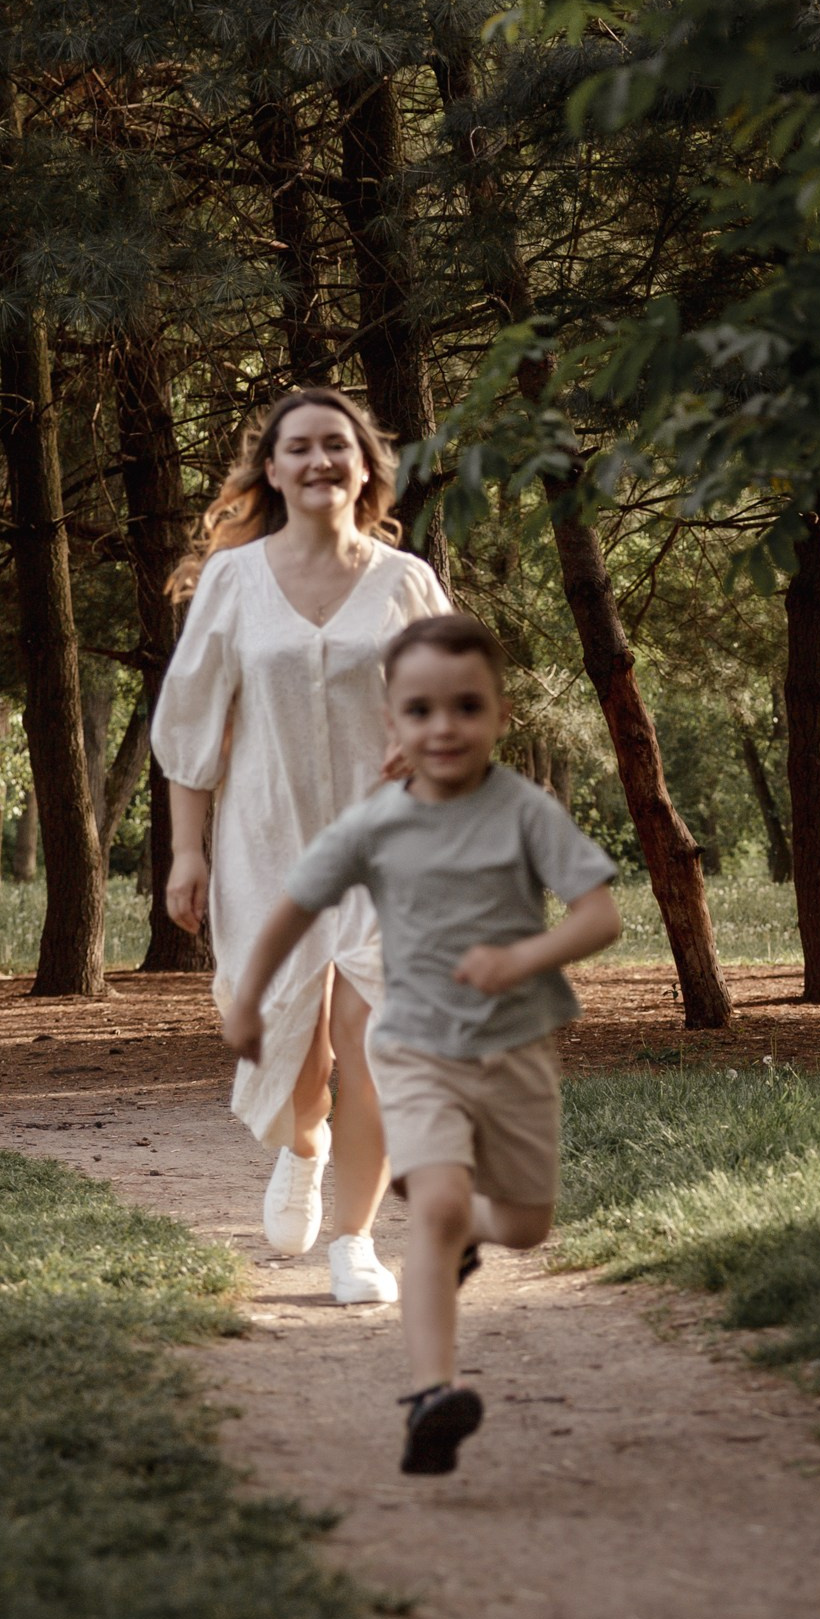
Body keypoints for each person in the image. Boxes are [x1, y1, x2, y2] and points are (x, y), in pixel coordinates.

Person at [223, 611, 620, 1475]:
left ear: (502, 715)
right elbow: (293, 906)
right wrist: (250, 999)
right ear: (394, 723)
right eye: (422, 711)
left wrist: (524, 955)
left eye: (467, 707)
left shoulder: (525, 812)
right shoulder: (375, 824)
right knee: (435, 1208)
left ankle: (466, 1233)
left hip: (516, 1053)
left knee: (526, 1225)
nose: (445, 727)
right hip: (413, 1049)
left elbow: (600, 913)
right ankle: (433, 1394)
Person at [152, 389, 450, 1304]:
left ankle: (356, 1243)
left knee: (371, 1042)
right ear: (272, 472)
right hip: (263, 844)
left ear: (365, 469)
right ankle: (304, 1145)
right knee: (296, 1046)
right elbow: (192, 724)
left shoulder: (405, 581)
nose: (320, 461)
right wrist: (188, 852)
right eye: (300, 448)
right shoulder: (235, 583)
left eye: (338, 446)